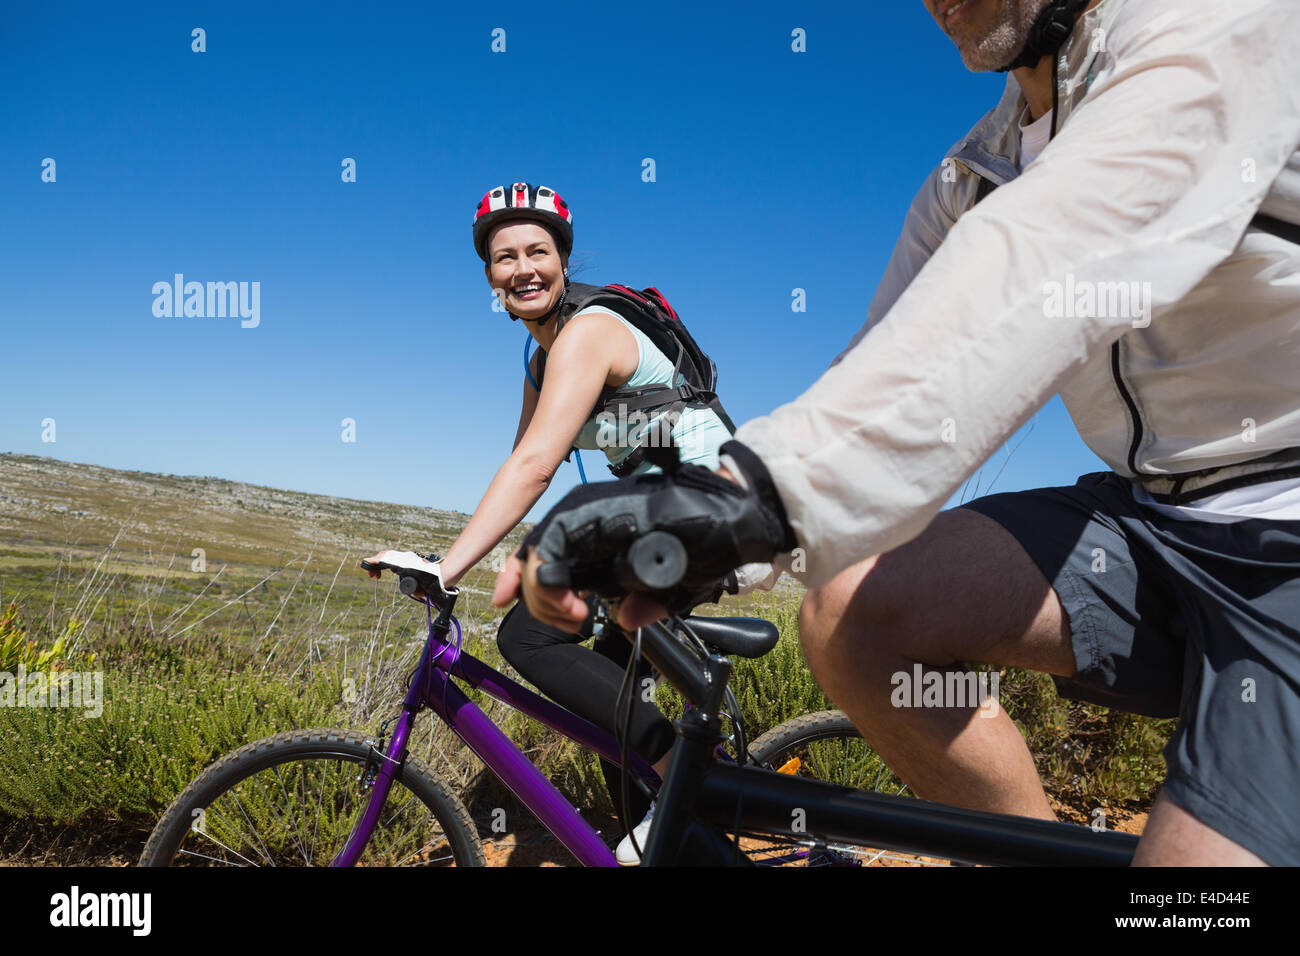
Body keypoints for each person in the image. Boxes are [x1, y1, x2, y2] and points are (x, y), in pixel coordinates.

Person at [497, 0, 1300, 867]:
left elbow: (1064, 244)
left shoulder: (1228, 26)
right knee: (851, 610)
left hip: (1283, 529)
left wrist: (758, 505)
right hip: (1142, 516)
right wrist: (709, 506)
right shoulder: (972, 173)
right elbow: (876, 369)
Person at [366, 182, 736, 864]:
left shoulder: (590, 330)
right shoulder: (542, 361)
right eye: (505, 257)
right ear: (489, 277)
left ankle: (694, 780)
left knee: (530, 635)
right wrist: (450, 561)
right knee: (615, 725)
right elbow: (520, 467)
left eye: (538, 250)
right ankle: (684, 826)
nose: (523, 268)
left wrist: (449, 568)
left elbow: (538, 465)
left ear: (564, 259)